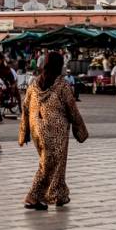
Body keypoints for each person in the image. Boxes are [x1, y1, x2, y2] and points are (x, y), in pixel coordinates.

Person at [19, 51, 88, 211]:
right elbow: (72, 110)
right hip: (55, 131)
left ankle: (59, 195)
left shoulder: (34, 85)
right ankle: (33, 196)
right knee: (49, 164)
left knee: (54, 163)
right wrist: (81, 131)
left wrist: (25, 131)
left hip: (37, 130)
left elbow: (25, 107)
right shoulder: (62, 86)